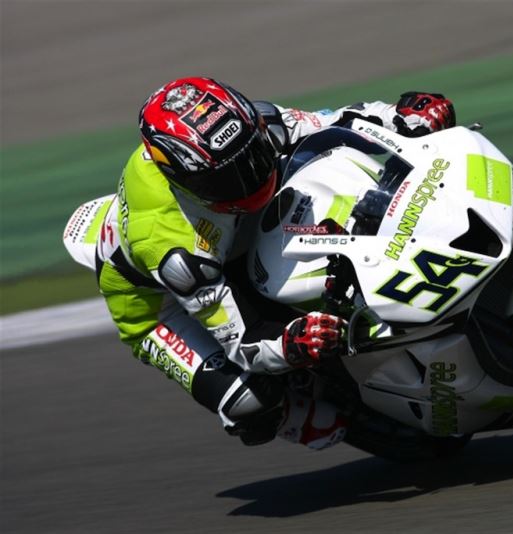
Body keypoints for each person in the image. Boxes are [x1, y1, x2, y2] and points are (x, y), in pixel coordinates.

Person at [95, 76, 456, 449]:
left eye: (252, 155)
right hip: (162, 307)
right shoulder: (173, 247)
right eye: (224, 179)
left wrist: (402, 117)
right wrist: (291, 343)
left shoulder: (255, 124)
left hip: (233, 234)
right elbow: (241, 341)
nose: (249, 179)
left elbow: (339, 121)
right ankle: (298, 418)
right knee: (248, 400)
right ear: (182, 179)